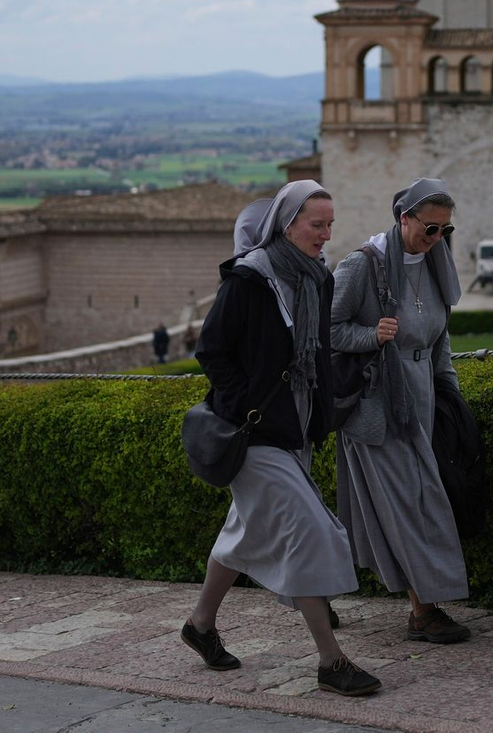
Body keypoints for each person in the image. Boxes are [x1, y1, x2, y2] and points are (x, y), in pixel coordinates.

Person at [182, 180, 381, 698]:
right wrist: (241, 401)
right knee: (311, 531)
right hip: (253, 436)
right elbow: (212, 351)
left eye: (330, 224)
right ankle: (331, 661)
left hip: (294, 429)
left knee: (243, 531)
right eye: (317, 224)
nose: (326, 234)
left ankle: (200, 626)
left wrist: (320, 417)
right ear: (287, 224)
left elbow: (316, 356)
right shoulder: (249, 279)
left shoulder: (317, 279)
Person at [331, 177, 471, 644]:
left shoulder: (434, 264)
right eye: (430, 229)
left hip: (422, 402)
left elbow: (439, 339)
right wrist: (372, 336)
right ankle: (423, 611)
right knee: (410, 504)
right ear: (403, 218)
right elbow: (325, 330)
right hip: (377, 408)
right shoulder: (361, 265)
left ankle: (316, 591)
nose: (436, 239)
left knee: (414, 500)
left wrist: (451, 396)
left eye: (445, 231)